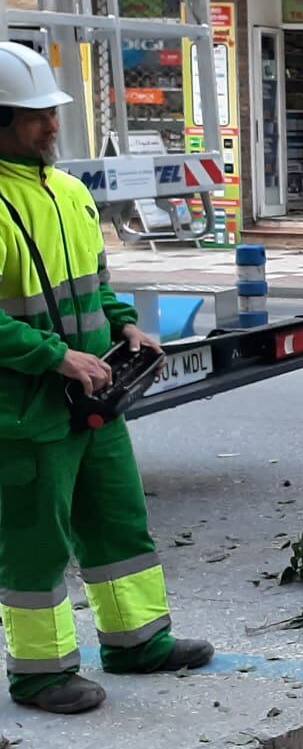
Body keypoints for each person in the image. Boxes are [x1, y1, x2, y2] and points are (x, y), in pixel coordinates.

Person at [0, 41, 211, 715]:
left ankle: (138, 643)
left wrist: (123, 325)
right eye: (35, 117)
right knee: (35, 546)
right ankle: (39, 675)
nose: (52, 126)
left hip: (93, 396)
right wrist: (55, 356)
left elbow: (94, 284)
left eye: (52, 113)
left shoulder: (64, 192)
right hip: (26, 409)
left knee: (118, 525)